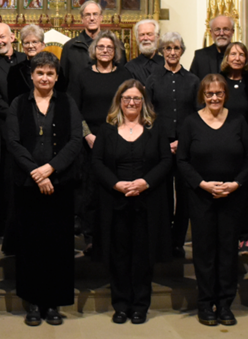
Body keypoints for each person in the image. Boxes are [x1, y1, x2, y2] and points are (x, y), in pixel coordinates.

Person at [7, 51, 83, 326]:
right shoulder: (18, 103)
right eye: (40, 72)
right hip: (28, 185)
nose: (45, 78)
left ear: (57, 76)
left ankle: (53, 303)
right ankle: (33, 302)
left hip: (60, 184)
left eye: (50, 73)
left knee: (57, 245)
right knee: (31, 246)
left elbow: (75, 140)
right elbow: (13, 141)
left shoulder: (67, 101)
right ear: (31, 75)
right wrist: (37, 173)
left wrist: (50, 169)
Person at [177, 74, 248, 327]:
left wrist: (236, 184)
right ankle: (205, 303)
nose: (214, 98)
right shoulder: (191, 122)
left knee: (228, 252)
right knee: (204, 252)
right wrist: (202, 184)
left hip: (231, 197)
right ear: (202, 95)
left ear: (225, 95)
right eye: (209, 93)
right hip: (201, 197)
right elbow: (182, 160)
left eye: (218, 93)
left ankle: (224, 304)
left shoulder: (238, 121)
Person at [92, 80, 171, 324]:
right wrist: (116, 184)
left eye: (137, 98)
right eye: (127, 98)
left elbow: (166, 160)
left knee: (142, 256)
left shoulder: (155, 128)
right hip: (116, 202)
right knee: (119, 256)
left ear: (143, 102)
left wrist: (145, 182)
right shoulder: (107, 129)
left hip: (146, 202)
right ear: (119, 101)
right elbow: (97, 162)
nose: (132, 102)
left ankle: (140, 305)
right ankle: (121, 305)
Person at [69, 30, 132, 253]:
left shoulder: (124, 75)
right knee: (90, 191)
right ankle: (91, 236)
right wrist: (88, 135)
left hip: (118, 139)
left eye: (109, 47)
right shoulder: (82, 75)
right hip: (89, 141)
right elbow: (74, 109)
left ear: (116, 52)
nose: (105, 50)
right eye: (101, 47)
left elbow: (130, 106)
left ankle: (114, 235)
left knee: (115, 187)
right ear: (94, 50)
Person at [146, 32, 200, 258]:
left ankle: (178, 241)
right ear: (162, 51)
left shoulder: (193, 81)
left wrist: (182, 141)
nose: (172, 52)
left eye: (176, 48)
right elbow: (148, 114)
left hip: (186, 147)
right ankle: (163, 241)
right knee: (163, 194)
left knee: (184, 195)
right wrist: (162, 142)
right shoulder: (152, 79)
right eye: (168, 48)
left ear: (182, 51)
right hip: (161, 146)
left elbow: (198, 115)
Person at [0, 22, 27, 238]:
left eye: (2, 37)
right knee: (5, 178)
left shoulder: (26, 59)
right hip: (4, 128)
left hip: (30, 126)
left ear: (12, 37)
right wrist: (14, 114)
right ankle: (4, 223)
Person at [220, 41, 248, 254]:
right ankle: (226, 235)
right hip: (223, 143)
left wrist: (244, 135)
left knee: (244, 190)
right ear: (226, 58)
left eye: (241, 54)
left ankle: (245, 237)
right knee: (224, 189)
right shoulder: (218, 81)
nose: (237, 58)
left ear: (247, 59)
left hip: (247, 143)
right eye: (233, 54)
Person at [61, 0, 122, 86]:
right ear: (82, 19)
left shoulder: (115, 45)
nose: (92, 18)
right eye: (88, 15)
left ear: (101, 17)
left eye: (95, 14)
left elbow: (122, 77)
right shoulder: (70, 47)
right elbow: (63, 82)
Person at [190, 15, 235, 79]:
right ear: (211, 33)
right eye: (217, 30)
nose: (221, 33)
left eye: (226, 29)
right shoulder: (200, 56)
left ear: (232, 32)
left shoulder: (243, 57)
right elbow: (192, 83)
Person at [125, 19, 164, 85]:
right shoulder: (129, 67)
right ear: (137, 38)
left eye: (149, 34)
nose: (145, 38)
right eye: (142, 35)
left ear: (157, 37)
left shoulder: (167, 64)